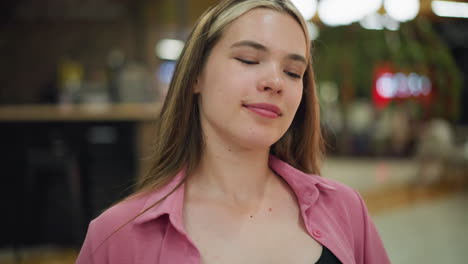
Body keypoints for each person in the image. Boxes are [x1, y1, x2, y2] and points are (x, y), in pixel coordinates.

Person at [75, 0, 390, 263]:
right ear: (196, 75)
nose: (275, 82)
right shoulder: (115, 238)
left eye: (293, 72)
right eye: (249, 59)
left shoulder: (346, 211)